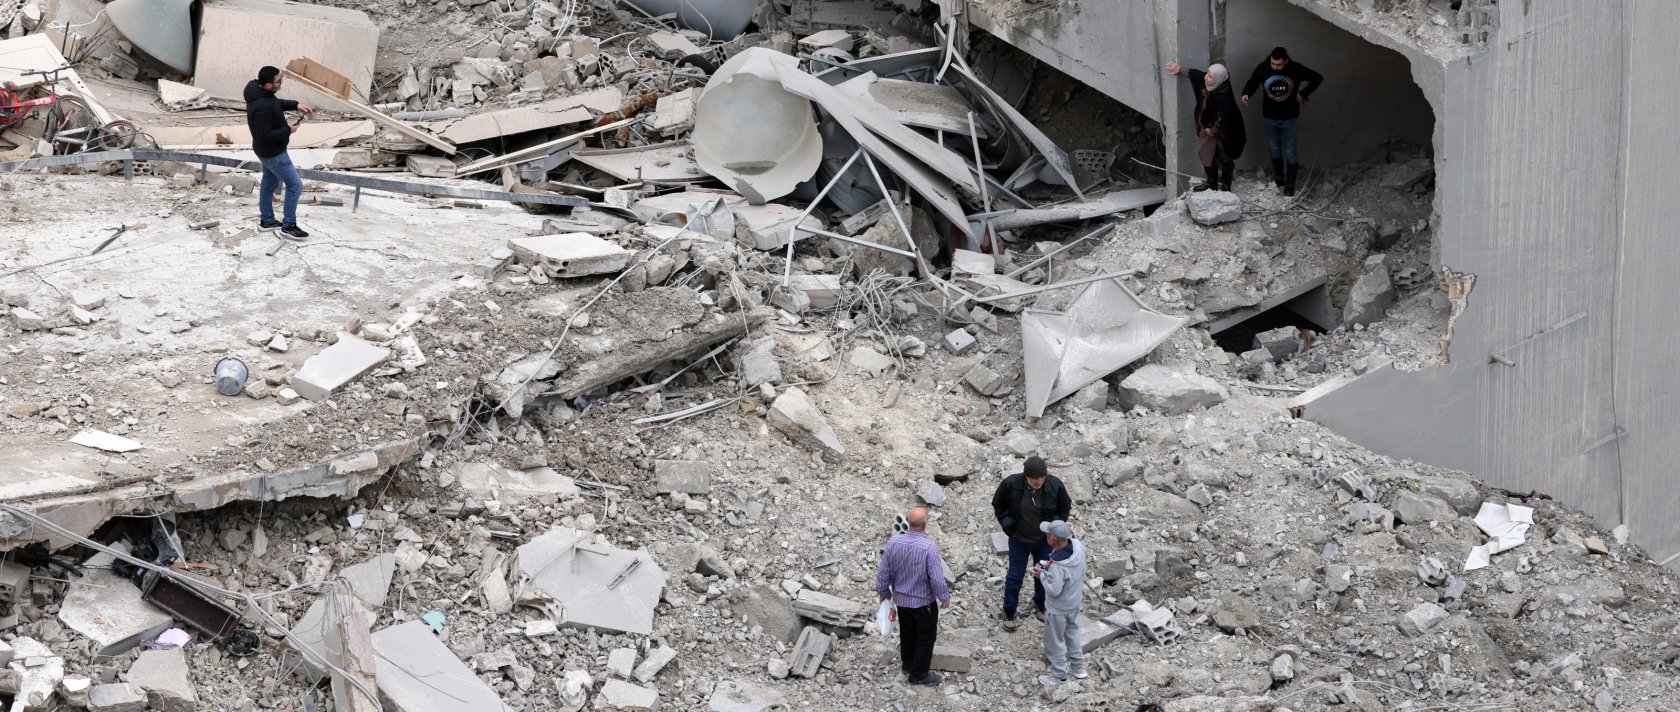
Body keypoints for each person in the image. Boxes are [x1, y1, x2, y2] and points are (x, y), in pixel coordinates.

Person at [990, 455, 1072, 629]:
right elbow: (998, 505)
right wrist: (1009, 527)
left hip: (1044, 542)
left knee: (1043, 574)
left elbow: (1065, 506)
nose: (1040, 481)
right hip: (1018, 540)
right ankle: (1010, 611)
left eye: (1042, 476)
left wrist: (1054, 528)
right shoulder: (1011, 484)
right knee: (1014, 576)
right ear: (1026, 476)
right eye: (1036, 477)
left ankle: (1041, 604)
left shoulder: (1054, 485)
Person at [875, 506, 951, 686]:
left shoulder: (893, 543)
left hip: (902, 602)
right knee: (925, 639)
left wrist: (884, 592)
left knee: (907, 634)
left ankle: (908, 665)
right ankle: (919, 675)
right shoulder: (928, 547)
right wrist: (944, 597)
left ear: (908, 523)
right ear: (924, 525)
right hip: (924, 603)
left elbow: (883, 573)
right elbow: (937, 578)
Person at [1241, 47, 1323, 196]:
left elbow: (1317, 78)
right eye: (1273, 63)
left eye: (1278, 65)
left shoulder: (1295, 69)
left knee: (1290, 150)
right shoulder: (1263, 67)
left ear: (1286, 61)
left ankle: (1290, 184)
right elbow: (1253, 82)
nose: (1275, 67)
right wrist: (1246, 93)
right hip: (1270, 117)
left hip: (1289, 118)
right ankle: (1279, 177)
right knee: (1274, 148)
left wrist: (1303, 93)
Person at [244, 66, 315, 239]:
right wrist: (288, 130)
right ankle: (289, 226)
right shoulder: (261, 107)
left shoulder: (260, 92)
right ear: (268, 85)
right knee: (295, 185)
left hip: (267, 151)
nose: (281, 82)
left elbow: (275, 103)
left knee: (269, 183)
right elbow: (264, 135)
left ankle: (267, 220)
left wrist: (296, 105)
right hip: (273, 153)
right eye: (278, 81)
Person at [1165, 60, 1245, 193]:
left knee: (1225, 157)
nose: (1205, 77)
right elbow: (1194, 73)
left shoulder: (1224, 95)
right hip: (1206, 126)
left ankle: (1226, 186)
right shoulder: (1210, 81)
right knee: (1205, 153)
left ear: (1218, 80)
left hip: (1225, 130)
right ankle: (1211, 182)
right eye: (1207, 73)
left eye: (1209, 76)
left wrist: (1213, 129)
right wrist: (1179, 69)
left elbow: (1226, 116)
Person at [1034, 520, 1088, 686]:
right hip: (1074, 602)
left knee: (1054, 641)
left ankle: (1059, 676)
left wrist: (1041, 574)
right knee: (1072, 633)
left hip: (1058, 609)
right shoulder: (1078, 546)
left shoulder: (1058, 564)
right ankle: (1079, 668)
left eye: (1048, 534)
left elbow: (1053, 590)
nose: (1046, 536)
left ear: (1054, 539)